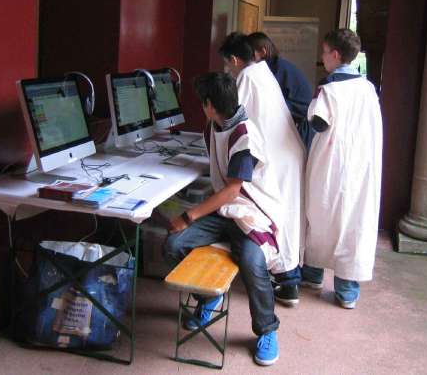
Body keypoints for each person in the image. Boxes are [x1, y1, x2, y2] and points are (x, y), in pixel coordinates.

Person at [164, 72, 281, 366]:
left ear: (209, 105)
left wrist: (188, 216)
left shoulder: (244, 136)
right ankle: (207, 299)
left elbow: (232, 191)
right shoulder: (215, 125)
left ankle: (267, 329)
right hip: (224, 212)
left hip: (250, 213)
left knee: (253, 263)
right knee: (172, 245)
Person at [219, 32, 306, 306]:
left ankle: (286, 280)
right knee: (287, 219)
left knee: (273, 217)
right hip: (286, 154)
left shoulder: (246, 77)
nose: (227, 69)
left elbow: (232, 117)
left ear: (234, 59)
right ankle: (290, 280)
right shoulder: (262, 71)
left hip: (277, 160)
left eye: (227, 64)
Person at [302, 29, 382, 309]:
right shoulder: (368, 88)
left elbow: (319, 123)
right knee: (354, 223)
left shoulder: (330, 90)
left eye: (324, 52)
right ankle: (347, 289)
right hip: (361, 166)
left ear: (335, 55)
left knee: (322, 215)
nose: (322, 57)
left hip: (332, 165)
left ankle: (312, 272)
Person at [247, 32, 314, 149]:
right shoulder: (275, 66)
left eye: (250, 54)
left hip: (300, 126)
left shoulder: (277, 69)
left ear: (263, 52)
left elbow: (272, 103)